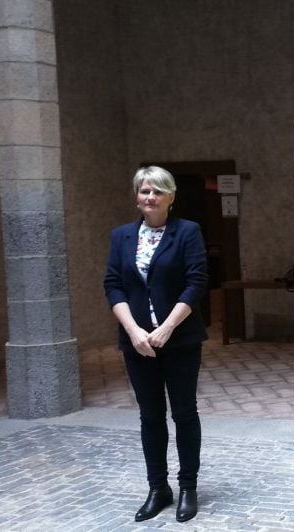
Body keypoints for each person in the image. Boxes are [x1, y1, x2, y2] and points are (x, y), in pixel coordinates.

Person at [104, 166, 208, 523]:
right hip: (137, 343)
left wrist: (165, 328)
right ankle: (158, 488)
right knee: (150, 415)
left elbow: (196, 283)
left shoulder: (187, 232)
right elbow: (113, 285)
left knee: (183, 412)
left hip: (179, 339)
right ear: (136, 195)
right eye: (144, 191)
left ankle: (188, 488)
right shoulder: (121, 236)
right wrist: (134, 331)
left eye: (158, 191)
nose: (150, 197)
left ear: (171, 197)